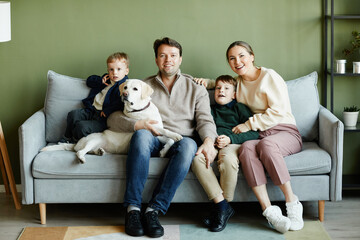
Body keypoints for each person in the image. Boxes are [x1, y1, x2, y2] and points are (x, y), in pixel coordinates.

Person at [107, 37, 218, 238]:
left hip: (180, 140)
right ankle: (133, 209)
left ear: (180, 59)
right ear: (156, 60)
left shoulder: (196, 88)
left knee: (188, 146)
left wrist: (209, 141)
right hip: (152, 139)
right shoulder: (140, 86)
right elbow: (113, 119)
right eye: (163, 55)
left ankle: (153, 210)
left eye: (173, 56)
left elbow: (205, 120)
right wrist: (137, 124)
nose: (168, 60)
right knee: (141, 135)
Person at [195, 41, 304, 234]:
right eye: (232, 58)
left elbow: (279, 112)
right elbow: (227, 87)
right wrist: (210, 83)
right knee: (246, 149)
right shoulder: (239, 83)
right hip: (261, 135)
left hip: (284, 130)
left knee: (267, 146)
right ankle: (269, 211)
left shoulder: (269, 76)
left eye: (242, 55)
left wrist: (248, 124)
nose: (237, 61)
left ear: (252, 56)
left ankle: (292, 202)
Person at [192, 75, 259, 232]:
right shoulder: (209, 110)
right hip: (213, 143)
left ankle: (221, 210)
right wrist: (211, 140)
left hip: (232, 143)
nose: (221, 91)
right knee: (197, 160)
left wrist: (230, 139)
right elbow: (201, 128)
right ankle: (222, 207)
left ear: (234, 94)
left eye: (226, 88)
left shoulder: (240, 108)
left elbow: (255, 133)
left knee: (227, 159)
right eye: (218, 88)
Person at [61, 52, 129, 143]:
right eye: (111, 69)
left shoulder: (125, 86)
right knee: (72, 115)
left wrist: (108, 110)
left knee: (81, 127)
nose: (114, 73)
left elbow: (121, 103)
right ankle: (67, 137)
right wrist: (100, 81)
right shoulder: (106, 79)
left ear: (126, 71)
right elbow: (89, 81)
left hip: (102, 118)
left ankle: (76, 142)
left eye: (119, 69)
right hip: (91, 110)